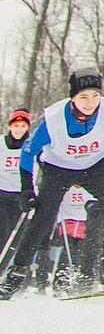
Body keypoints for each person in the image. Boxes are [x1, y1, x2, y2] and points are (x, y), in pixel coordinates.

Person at [1, 68, 104, 299]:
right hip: (58, 167)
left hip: (96, 164)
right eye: (83, 97)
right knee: (43, 217)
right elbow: (28, 151)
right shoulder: (53, 118)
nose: (90, 103)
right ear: (72, 98)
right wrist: (27, 188)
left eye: (95, 96)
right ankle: (16, 274)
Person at [0, 110, 32, 256]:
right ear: (10, 126)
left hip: (21, 196)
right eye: (16, 125)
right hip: (2, 194)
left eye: (23, 126)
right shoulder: (1, 143)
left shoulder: (33, 144)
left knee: (16, 239)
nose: (19, 130)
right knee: (3, 232)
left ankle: (5, 271)